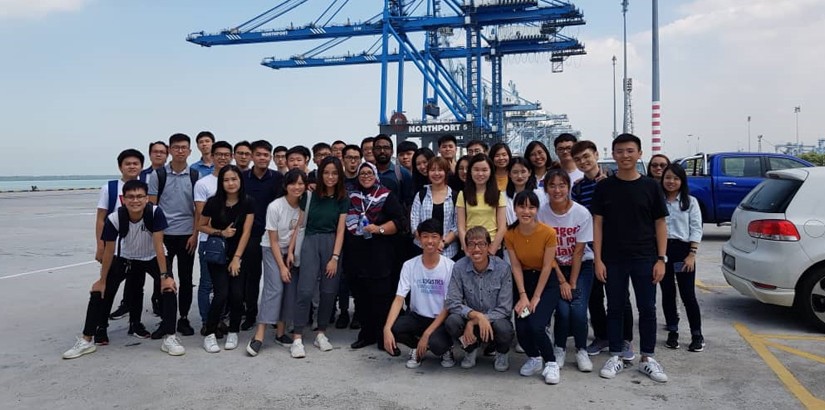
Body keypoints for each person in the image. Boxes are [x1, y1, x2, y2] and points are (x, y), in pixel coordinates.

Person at [63, 180, 185, 359]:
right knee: (99, 291)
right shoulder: (114, 218)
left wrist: (165, 275)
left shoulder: (155, 212)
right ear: (123, 199)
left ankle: (170, 337)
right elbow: (110, 251)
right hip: (126, 257)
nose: (135, 201)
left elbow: (159, 245)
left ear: (146, 199)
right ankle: (86, 339)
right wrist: (102, 280)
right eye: (131, 197)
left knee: (169, 289)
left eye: (140, 197)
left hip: (152, 256)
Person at [592, 133, 669, 383]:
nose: (625, 156)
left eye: (629, 151)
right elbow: (598, 223)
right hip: (613, 258)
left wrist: (661, 258)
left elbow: (660, 224)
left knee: (647, 308)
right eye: (620, 151)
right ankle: (616, 354)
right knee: (614, 308)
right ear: (613, 155)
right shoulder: (604, 187)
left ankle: (647, 357)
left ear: (639, 153)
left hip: (645, 257)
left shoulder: (651, 187)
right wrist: (598, 259)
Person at [287, 156, 348, 358]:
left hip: (332, 244)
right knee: (304, 290)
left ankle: (321, 332)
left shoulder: (342, 199)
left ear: (339, 175)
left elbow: (340, 231)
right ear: (320, 174)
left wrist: (335, 257)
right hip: (311, 242)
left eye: (334, 173)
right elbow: (300, 224)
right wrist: (291, 249)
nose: (330, 177)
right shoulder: (309, 196)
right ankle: (297, 336)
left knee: (329, 291)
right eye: (326, 172)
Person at [537, 169, 595, 373]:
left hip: (581, 266)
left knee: (578, 310)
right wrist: (562, 281)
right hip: (554, 266)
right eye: (552, 185)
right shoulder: (542, 213)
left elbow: (579, 251)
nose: (557, 190)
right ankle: (559, 348)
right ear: (545, 189)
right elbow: (546, 251)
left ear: (569, 188)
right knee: (561, 310)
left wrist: (572, 282)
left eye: (562, 185)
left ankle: (581, 350)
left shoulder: (581, 213)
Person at [344, 162, 406, 350]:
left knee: (381, 298)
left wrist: (378, 229)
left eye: (369, 172)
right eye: (362, 173)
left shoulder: (386, 195)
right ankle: (366, 334)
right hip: (356, 255)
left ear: (376, 175)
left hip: (380, 255)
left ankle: (383, 336)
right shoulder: (352, 196)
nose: (365, 176)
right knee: (361, 298)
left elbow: (399, 222)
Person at [247, 169, 308, 356]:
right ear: (285, 186)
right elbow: (272, 240)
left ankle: (281, 333)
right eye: (293, 183)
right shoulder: (275, 206)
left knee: (289, 289)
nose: (297, 187)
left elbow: (297, 231)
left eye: (301, 184)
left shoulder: (304, 206)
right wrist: (281, 266)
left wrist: (290, 253)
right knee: (274, 289)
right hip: (270, 249)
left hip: (290, 250)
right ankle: (259, 335)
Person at [504, 191, 561, 383]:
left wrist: (536, 297)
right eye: (522, 206)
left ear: (537, 209)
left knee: (536, 325)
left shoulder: (548, 233)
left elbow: (547, 266)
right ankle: (534, 358)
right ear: (515, 209)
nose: (526, 211)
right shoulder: (510, 233)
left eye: (531, 207)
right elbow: (516, 266)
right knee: (521, 326)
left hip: (546, 283)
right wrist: (523, 295)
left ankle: (551, 362)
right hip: (524, 282)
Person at [383, 219, 456, 368]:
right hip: (417, 317)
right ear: (419, 238)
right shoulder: (409, 265)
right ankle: (417, 348)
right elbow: (399, 298)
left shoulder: (450, 266)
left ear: (441, 238)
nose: (429, 241)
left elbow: (449, 305)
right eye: (425, 236)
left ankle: (446, 349)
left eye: (434, 236)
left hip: (440, 319)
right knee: (395, 328)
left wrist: (427, 334)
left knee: (437, 345)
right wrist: (386, 329)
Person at [198, 165, 256, 353]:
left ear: (240, 180)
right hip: (218, 254)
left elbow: (246, 231)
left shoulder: (248, 202)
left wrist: (237, 258)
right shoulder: (213, 202)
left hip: (239, 253)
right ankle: (210, 332)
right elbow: (201, 226)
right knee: (221, 294)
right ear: (221, 182)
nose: (230, 183)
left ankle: (233, 331)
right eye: (226, 180)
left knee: (237, 295)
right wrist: (220, 232)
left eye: (234, 179)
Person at [148, 133, 198, 339]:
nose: (180, 151)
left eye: (184, 147)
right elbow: (151, 207)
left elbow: (199, 209)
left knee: (186, 279)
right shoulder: (158, 175)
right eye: (176, 147)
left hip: (187, 235)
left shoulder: (195, 176)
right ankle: (165, 320)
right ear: (169, 150)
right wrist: (155, 236)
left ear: (189, 151)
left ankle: (183, 318)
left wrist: (195, 235)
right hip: (164, 235)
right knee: (164, 277)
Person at [444, 226, 514, 371]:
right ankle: (470, 349)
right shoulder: (459, 267)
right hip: (470, 316)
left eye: (481, 244)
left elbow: (505, 308)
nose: (476, 249)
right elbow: (452, 302)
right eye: (471, 244)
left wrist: (478, 320)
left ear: (488, 246)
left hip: (495, 320)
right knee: (452, 322)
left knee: (505, 328)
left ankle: (501, 353)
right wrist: (474, 316)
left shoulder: (503, 268)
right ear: (466, 248)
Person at [660, 164, 704, 352]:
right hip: (663, 251)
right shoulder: (657, 200)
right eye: (668, 177)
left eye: (676, 178)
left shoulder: (690, 202)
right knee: (668, 294)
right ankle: (672, 332)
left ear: (682, 181)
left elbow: (696, 228)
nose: (671, 181)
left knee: (688, 295)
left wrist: (691, 255)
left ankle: (697, 335)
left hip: (683, 251)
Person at [241, 140, 285, 330]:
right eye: (258, 154)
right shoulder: (242, 177)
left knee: (273, 278)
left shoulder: (278, 178)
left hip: (272, 236)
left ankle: (274, 316)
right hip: (250, 234)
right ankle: (251, 314)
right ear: (252, 156)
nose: (262, 158)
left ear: (271, 157)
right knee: (251, 277)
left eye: (266, 155)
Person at [193, 141, 233, 334]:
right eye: (219, 154)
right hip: (209, 241)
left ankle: (219, 319)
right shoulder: (203, 183)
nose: (223, 158)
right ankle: (206, 321)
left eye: (226, 154)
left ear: (231, 156)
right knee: (207, 283)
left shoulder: (235, 181)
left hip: (231, 241)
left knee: (224, 285)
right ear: (213, 156)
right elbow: (202, 218)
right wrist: (220, 232)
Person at [456, 154, 507, 257]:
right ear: (470, 171)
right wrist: (466, 250)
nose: (480, 174)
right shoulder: (463, 195)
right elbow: (461, 227)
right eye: (476, 170)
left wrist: (492, 250)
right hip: (471, 247)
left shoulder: (498, 195)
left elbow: (502, 227)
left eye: (484, 170)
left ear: (491, 172)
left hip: (492, 247)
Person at [410, 157, 459, 260]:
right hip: (421, 249)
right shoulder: (421, 195)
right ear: (428, 173)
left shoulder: (455, 196)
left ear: (446, 172)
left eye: (440, 170)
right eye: (432, 170)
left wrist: (443, 243)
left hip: (448, 252)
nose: (436, 173)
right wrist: (427, 243)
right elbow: (414, 222)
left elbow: (457, 225)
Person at [504, 157, 538, 225]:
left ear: (529, 172)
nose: (519, 176)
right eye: (515, 172)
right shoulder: (503, 196)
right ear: (509, 174)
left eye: (523, 172)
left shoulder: (538, 194)